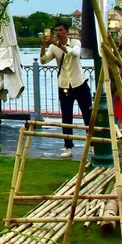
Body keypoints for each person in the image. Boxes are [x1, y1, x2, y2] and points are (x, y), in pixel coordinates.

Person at [41, 21, 89, 159]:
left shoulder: (75, 42)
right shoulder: (53, 47)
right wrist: (43, 46)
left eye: (61, 30)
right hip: (64, 84)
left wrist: (58, 45)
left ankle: (92, 144)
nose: (58, 33)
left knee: (87, 114)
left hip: (79, 82)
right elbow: (44, 60)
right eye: (56, 30)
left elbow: (75, 54)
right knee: (66, 117)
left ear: (67, 31)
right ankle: (68, 147)